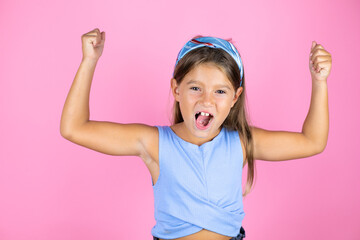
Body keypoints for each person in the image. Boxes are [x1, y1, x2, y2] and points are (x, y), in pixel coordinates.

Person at [60, 28, 332, 240]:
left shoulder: (241, 142)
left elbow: (312, 142)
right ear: (176, 90)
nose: (207, 100)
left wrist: (319, 82)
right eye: (195, 88)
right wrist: (89, 61)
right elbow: (75, 128)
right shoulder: (154, 143)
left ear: (235, 97)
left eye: (220, 91)